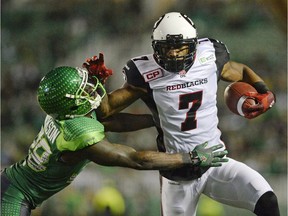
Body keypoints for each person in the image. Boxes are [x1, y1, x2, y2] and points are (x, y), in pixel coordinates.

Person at [83, 12, 280, 216]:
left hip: (214, 160)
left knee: (266, 200)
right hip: (177, 175)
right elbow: (105, 112)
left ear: (193, 44)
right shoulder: (144, 73)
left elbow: (240, 69)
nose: (175, 54)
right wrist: (95, 83)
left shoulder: (210, 54)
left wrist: (264, 91)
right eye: (168, 48)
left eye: (181, 47)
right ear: (156, 48)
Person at [0, 66, 229, 216]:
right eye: (84, 90)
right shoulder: (78, 134)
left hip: (10, 183)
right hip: (12, 198)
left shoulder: (63, 114)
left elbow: (108, 121)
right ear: (70, 104)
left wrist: (156, 120)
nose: (91, 89)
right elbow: (136, 160)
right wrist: (189, 158)